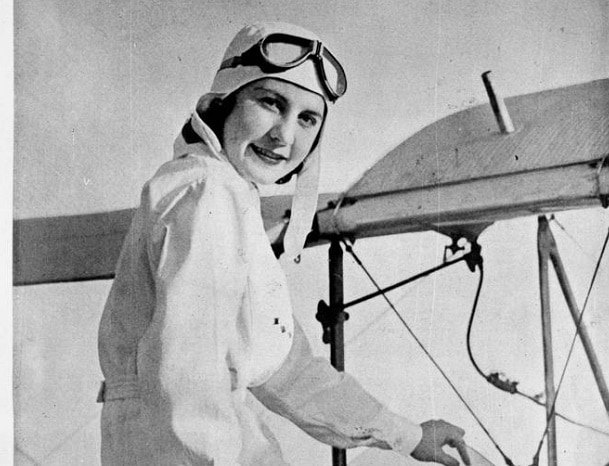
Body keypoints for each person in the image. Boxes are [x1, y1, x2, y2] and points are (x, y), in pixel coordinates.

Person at [97, 21, 471, 466]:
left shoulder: (229, 194)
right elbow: (189, 384)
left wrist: (408, 436)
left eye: (307, 118)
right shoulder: (206, 193)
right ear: (225, 103)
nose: (284, 135)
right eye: (271, 103)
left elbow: (287, 371)